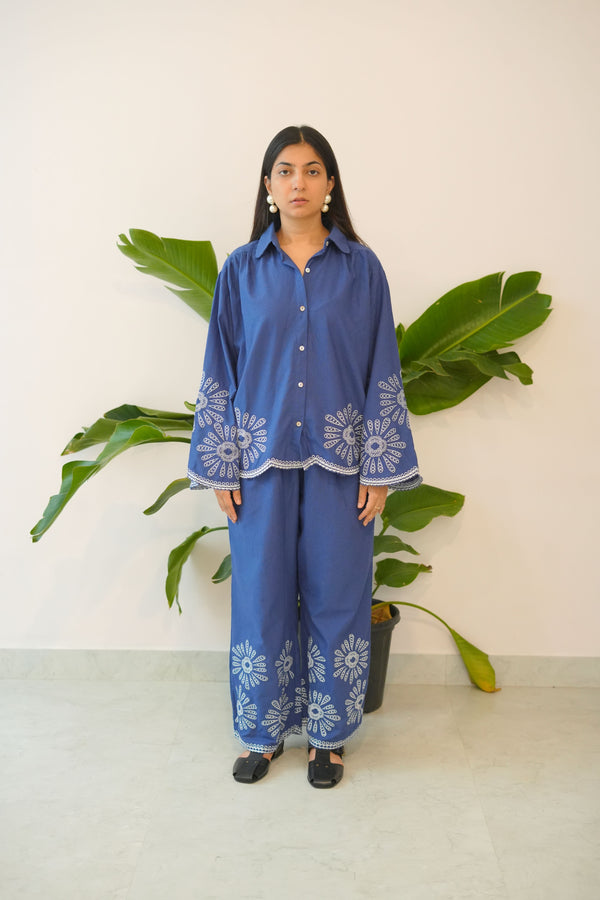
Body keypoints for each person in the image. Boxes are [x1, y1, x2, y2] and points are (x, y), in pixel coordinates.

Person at [187, 125, 421, 788]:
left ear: (331, 184)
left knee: (337, 597)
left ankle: (329, 738)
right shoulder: (241, 270)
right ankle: (262, 735)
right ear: (267, 186)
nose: (298, 183)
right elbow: (220, 370)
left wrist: (380, 468)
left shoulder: (361, 269)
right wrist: (219, 465)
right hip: (256, 467)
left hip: (343, 466)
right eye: (285, 171)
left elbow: (382, 368)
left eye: (312, 171)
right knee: (260, 598)